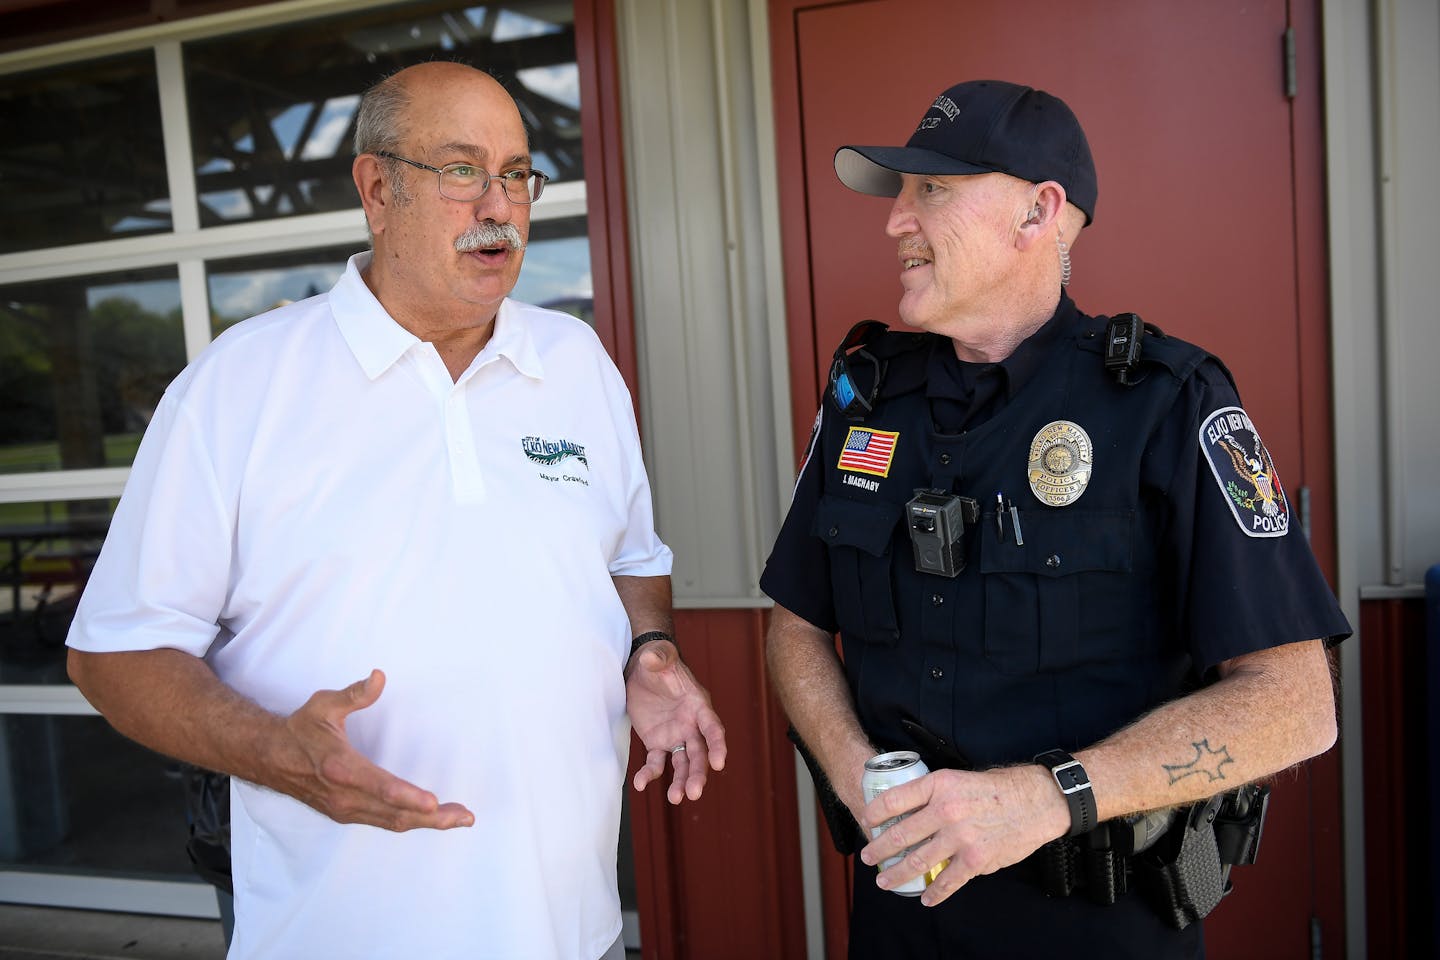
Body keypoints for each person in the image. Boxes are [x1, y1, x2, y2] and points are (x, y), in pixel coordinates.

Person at [66, 61, 726, 960]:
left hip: (577, 935)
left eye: (517, 174)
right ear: (378, 190)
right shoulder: (241, 386)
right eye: (461, 172)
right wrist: (275, 753)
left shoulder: (575, 361)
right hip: (341, 936)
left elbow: (632, 559)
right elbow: (116, 652)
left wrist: (651, 652)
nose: (499, 206)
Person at [760, 79, 1349, 958]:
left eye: (934, 190)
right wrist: (854, 769)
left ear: (1038, 212)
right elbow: (795, 626)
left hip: (1104, 926)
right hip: (901, 921)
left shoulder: (1167, 405)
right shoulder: (866, 400)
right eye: (901, 193)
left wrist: (1050, 796)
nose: (895, 221)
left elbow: (1299, 706)